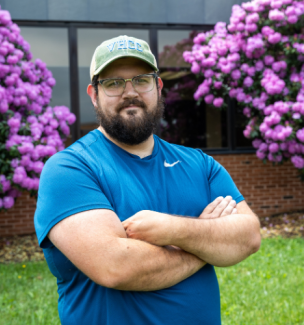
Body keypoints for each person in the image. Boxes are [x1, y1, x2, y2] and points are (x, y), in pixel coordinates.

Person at [34, 35, 261, 325]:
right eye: (114, 83)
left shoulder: (199, 164)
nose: (130, 92)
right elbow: (116, 266)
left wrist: (172, 230)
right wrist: (206, 242)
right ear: (94, 94)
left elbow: (248, 236)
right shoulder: (70, 169)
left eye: (142, 80)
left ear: (158, 86)